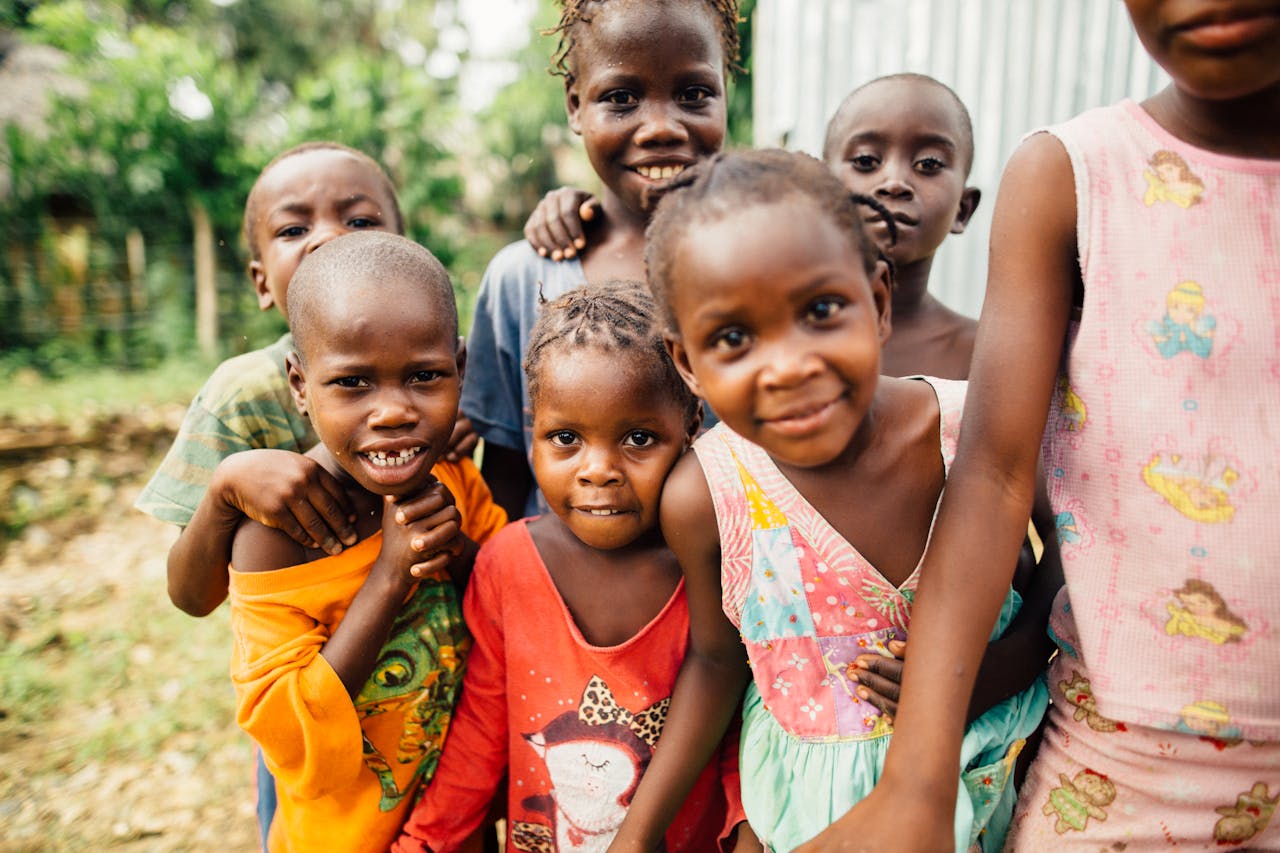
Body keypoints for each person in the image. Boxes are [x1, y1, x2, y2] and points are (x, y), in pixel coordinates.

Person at [824, 2, 1276, 849]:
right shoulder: (1079, 173)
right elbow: (995, 480)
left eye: (926, 162)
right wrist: (919, 778)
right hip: (1116, 763)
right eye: (866, 158)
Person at [605, 150, 1050, 853]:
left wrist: (996, 671)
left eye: (819, 310)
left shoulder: (976, 431)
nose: (788, 366)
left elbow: (1071, 561)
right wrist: (638, 833)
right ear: (687, 363)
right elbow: (721, 661)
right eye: (732, 338)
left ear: (876, 302)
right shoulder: (706, 493)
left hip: (996, 793)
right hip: (804, 818)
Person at [393, 281, 758, 853]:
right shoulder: (507, 565)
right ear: (531, 430)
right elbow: (478, 737)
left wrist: (746, 831)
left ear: (692, 427)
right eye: (565, 438)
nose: (598, 471)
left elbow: (741, 728)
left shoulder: (715, 562)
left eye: (638, 438)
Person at [228, 231, 507, 853]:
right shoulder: (275, 539)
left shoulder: (454, 479)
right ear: (301, 385)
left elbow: (512, 604)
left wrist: (455, 550)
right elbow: (291, 739)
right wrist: (390, 577)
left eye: (424, 376)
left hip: (460, 826)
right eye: (353, 383)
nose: (392, 412)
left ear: (460, 370)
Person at [461, 0, 740, 521]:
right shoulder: (523, 278)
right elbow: (503, 476)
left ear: (725, 92)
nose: (660, 127)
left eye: (693, 94)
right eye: (621, 97)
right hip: (554, 593)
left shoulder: (761, 270)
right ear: (574, 105)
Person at [822, 72, 981, 381]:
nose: (894, 183)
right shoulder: (783, 335)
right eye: (866, 161)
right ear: (822, 191)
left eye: (929, 164)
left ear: (963, 209)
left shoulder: (982, 356)